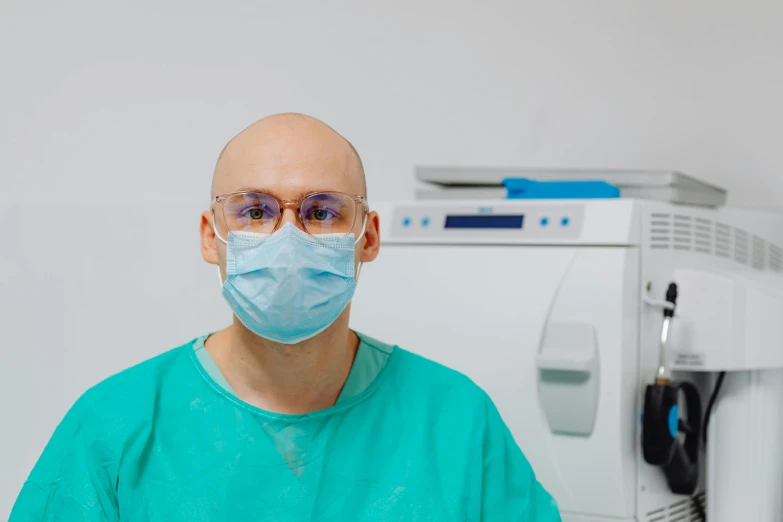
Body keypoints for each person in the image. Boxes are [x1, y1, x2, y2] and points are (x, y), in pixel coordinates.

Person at [10, 113, 561, 521]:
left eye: (322, 212)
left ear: (366, 238)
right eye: (255, 211)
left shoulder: (455, 420)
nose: (288, 237)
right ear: (211, 237)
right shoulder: (116, 425)